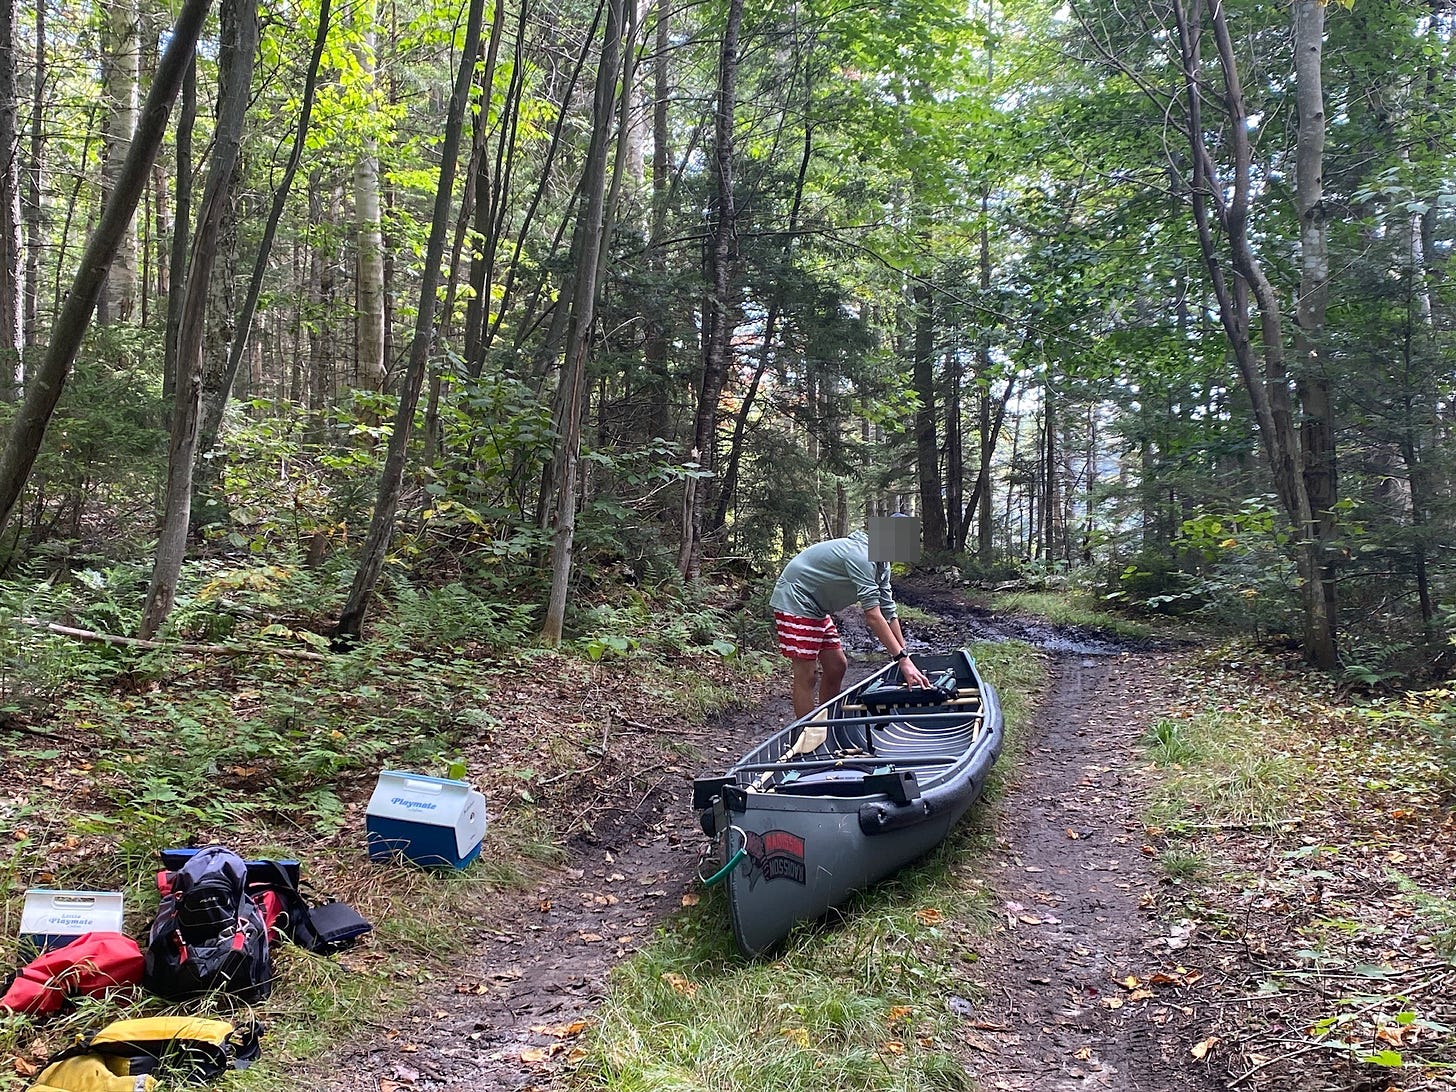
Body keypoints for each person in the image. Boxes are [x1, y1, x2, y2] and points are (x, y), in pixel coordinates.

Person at [770, 529, 931, 719]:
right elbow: (873, 615)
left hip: (817, 608)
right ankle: (807, 733)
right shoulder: (862, 557)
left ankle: (829, 722)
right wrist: (901, 660)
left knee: (837, 666)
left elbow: (888, 609)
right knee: (807, 674)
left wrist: (905, 656)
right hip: (796, 600)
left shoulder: (882, 563)